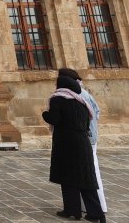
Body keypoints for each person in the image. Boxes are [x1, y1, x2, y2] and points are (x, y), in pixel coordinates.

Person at [43, 75, 104, 223]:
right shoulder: (82, 102)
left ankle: (72, 210)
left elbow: (55, 119)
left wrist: (45, 114)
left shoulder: (58, 99)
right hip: (83, 143)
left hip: (66, 143)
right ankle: (95, 213)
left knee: (68, 176)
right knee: (86, 179)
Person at [59, 67, 107, 216]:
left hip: (85, 138)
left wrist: (86, 129)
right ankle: (92, 208)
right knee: (89, 172)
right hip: (89, 137)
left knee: (89, 173)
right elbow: (96, 112)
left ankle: (97, 208)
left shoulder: (77, 94)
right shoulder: (82, 92)